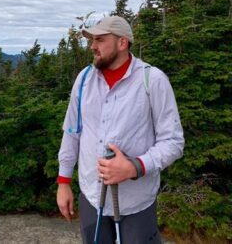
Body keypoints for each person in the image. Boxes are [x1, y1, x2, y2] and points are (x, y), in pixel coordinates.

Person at [55, 16, 184, 244]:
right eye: (92, 40)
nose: (93, 46)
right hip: (91, 196)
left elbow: (173, 142)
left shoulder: (152, 81)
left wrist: (134, 167)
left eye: (100, 40)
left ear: (122, 43)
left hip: (136, 202)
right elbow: (72, 132)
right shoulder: (84, 79)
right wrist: (63, 182)